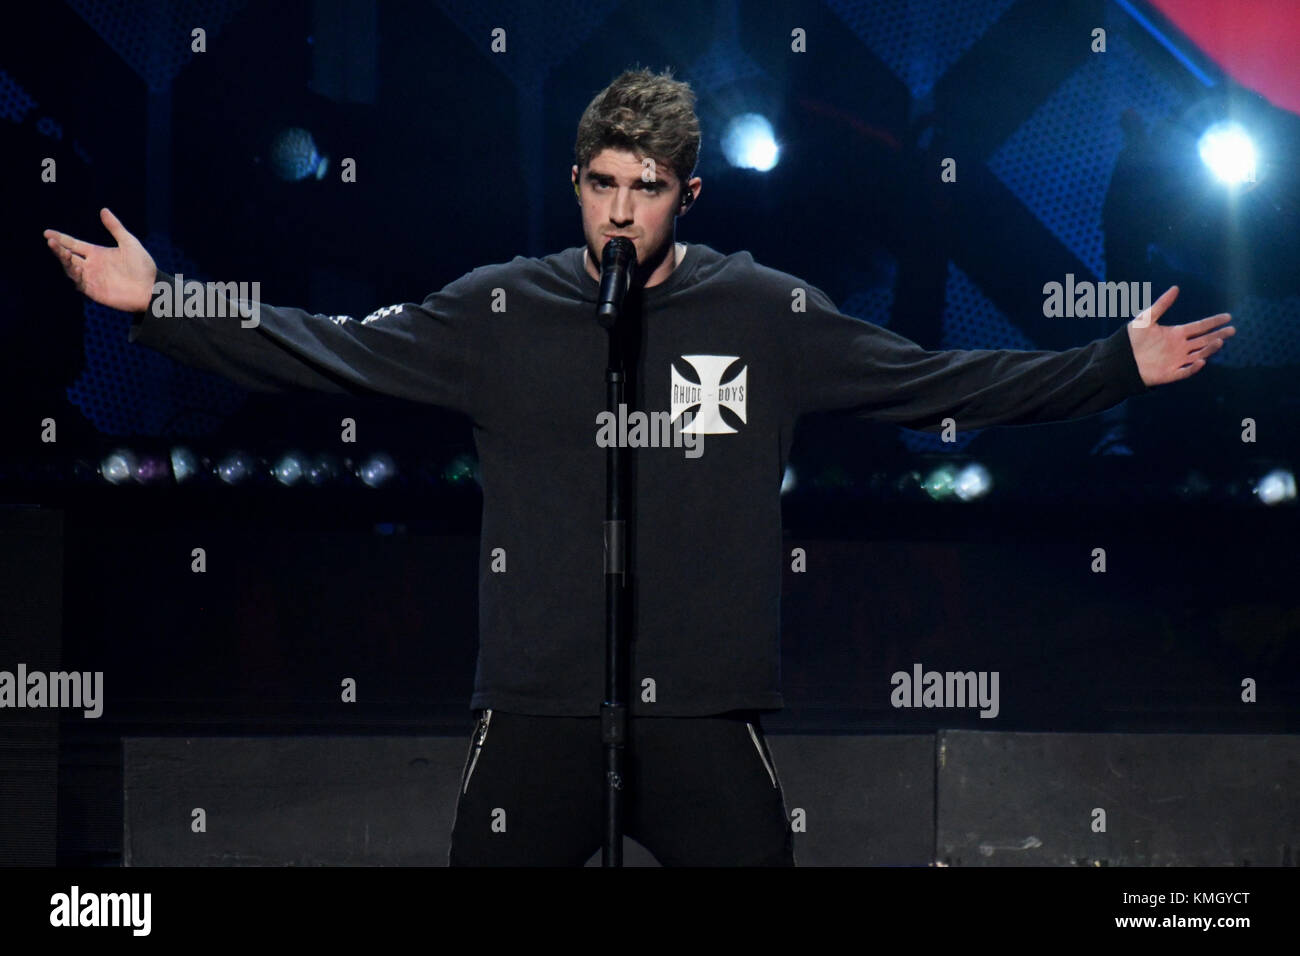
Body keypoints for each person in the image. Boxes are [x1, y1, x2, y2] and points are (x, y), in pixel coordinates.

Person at [44, 67, 1234, 867]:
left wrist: (1110, 366)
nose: (621, 211)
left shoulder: (765, 311)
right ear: (577, 184)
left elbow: (941, 382)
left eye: (646, 189)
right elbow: (327, 352)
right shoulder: (500, 308)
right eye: (602, 185)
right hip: (537, 706)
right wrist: (164, 306)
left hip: (701, 710)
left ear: (687, 196)